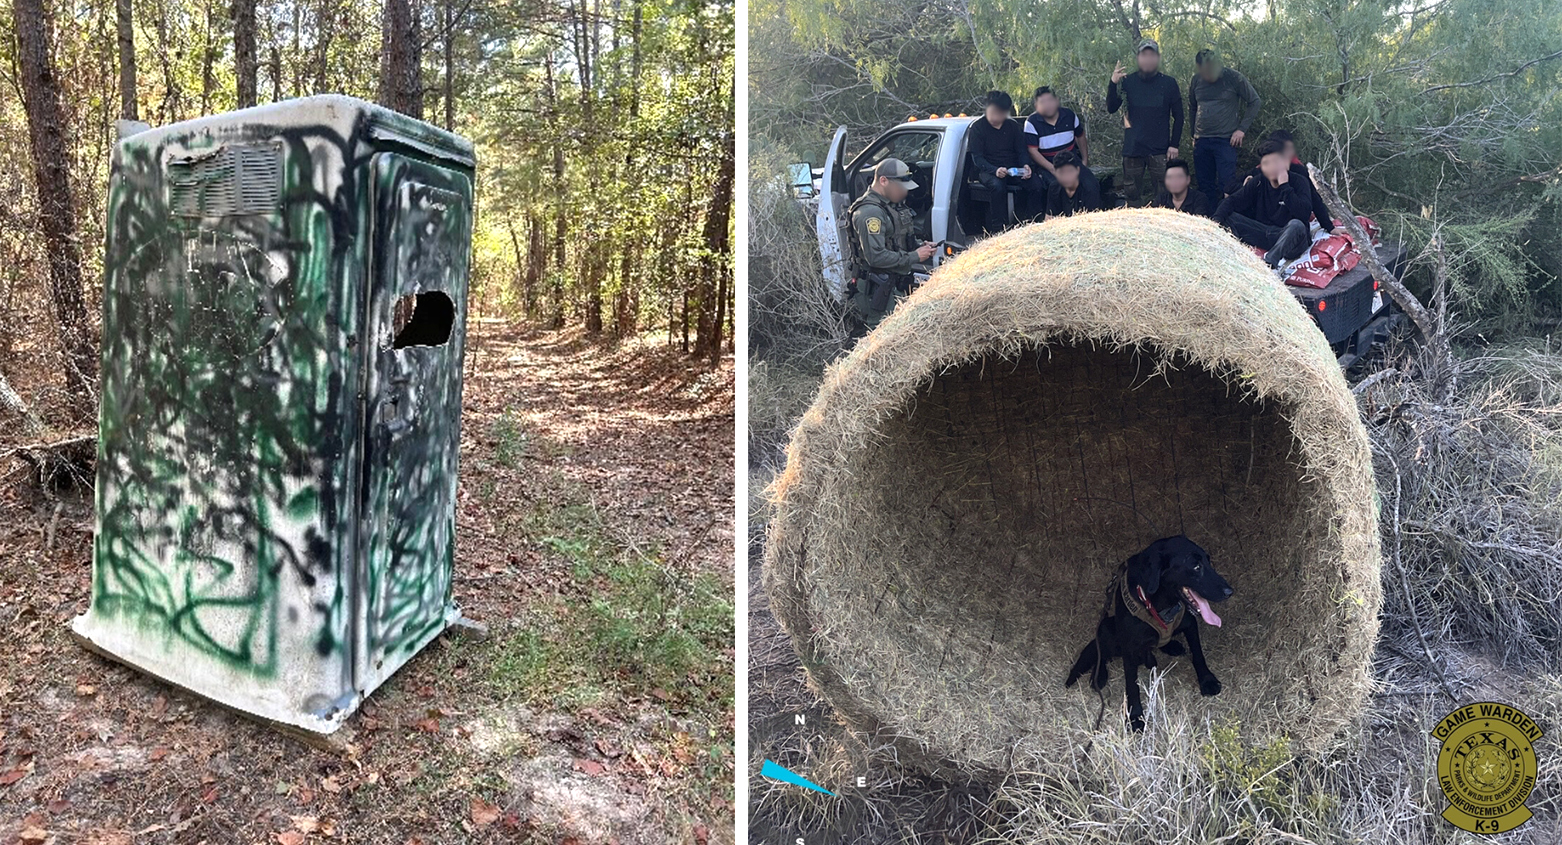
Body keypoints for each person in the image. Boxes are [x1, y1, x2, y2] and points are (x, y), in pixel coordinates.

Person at [847, 158, 936, 329]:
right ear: (883, 181)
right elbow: (876, 257)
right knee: (879, 337)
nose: (905, 192)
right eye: (901, 187)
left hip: (893, 285)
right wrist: (914, 256)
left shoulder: (889, 206)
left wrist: (919, 246)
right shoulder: (869, 213)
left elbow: (895, 240)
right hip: (878, 292)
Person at [1213, 138, 1314, 267]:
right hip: (1264, 232)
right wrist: (1214, 222)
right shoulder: (1259, 181)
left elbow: (1304, 214)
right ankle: (1233, 257)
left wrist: (1285, 187)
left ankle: (1270, 263)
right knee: (1228, 216)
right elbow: (1232, 201)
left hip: (1290, 239)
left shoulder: (1299, 182)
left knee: (1297, 225)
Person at [1107, 38, 1184, 207]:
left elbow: (1179, 116)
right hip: (1133, 148)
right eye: (1144, 55)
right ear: (1138, 58)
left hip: (1160, 150)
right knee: (1132, 195)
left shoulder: (1169, 83)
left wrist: (1174, 144)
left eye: (1152, 55)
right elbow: (1111, 107)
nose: (1148, 58)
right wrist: (1113, 83)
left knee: (1165, 196)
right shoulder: (1127, 82)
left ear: (1157, 58)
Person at [1187, 49, 1261, 210]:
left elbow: (1254, 101)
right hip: (1202, 140)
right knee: (1205, 185)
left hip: (1225, 139)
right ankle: (1208, 220)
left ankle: (1228, 219)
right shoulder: (1196, 80)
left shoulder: (1233, 77)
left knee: (1227, 185)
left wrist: (1241, 129)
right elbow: (1192, 107)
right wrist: (1192, 134)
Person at [1226, 130, 1335, 232]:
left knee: (1295, 226)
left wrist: (1329, 227)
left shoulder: (1299, 172)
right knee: (1229, 209)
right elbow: (1230, 188)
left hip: (1287, 222)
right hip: (1264, 221)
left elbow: (1314, 200)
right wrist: (1245, 187)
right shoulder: (1261, 169)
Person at [968, 90, 1041, 231]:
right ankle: (999, 227)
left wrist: (1026, 165)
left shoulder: (1012, 126)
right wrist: (995, 170)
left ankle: (1032, 221)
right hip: (989, 169)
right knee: (997, 186)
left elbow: (1021, 151)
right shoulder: (977, 128)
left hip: (1013, 168)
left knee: (1036, 184)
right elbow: (977, 158)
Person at [1023, 87, 1097, 193]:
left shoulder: (1069, 115)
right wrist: (1053, 169)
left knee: (1090, 183)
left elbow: (1080, 136)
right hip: (1048, 165)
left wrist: (1084, 160)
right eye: (1043, 102)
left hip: (1072, 161)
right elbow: (1032, 151)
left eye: (1050, 100)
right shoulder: (1032, 122)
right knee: (1057, 186)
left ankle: (1093, 209)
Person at [1044, 152, 1102, 219]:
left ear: (1077, 170)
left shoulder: (1089, 188)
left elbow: (1091, 220)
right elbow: (1049, 218)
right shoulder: (1054, 187)